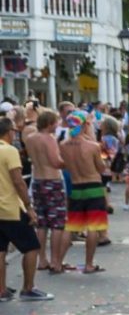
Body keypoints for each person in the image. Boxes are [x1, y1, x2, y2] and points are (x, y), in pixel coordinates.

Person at [0, 117, 54, 302]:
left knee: (0, 250)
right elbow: (18, 180)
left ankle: (1, 290)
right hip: (11, 208)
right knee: (31, 247)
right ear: (9, 132)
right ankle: (28, 287)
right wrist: (29, 206)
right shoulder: (9, 151)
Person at [58, 113, 107, 274]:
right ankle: (89, 264)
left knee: (70, 226)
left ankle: (58, 262)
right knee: (93, 227)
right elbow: (101, 168)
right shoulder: (92, 146)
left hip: (76, 187)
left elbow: (64, 165)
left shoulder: (63, 146)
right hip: (93, 187)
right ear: (85, 125)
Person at [24, 109, 71, 274]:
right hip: (52, 181)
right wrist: (69, 162)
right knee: (57, 223)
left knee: (42, 223)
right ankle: (55, 261)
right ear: (49, 123)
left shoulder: (30, 139)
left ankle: (41, 259)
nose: (57, 124)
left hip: (37, 181)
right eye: (55, 122)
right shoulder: (49, 139)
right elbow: (55, 162)